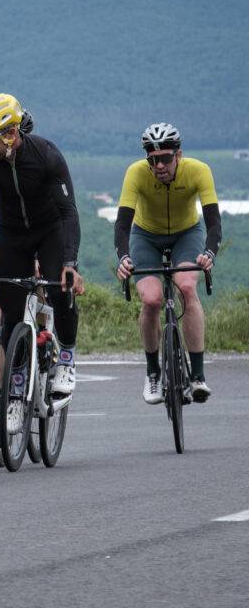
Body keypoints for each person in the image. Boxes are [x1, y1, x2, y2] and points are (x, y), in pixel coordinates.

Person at [0, 94, 82, 413]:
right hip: (12, 236)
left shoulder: (46, 154)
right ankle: (18, 381)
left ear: (10, 134)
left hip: (50, 231)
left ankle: (67, 358)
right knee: (10, 313)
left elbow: (69, 212)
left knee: (61, 291)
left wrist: (70, 263)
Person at [114, 122, 221, 404]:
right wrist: (123, 258)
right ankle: (152, 372)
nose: (159, 165)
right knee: (151, 300)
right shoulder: (136, 173)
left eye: (165, 158)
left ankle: (197, 376)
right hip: (145, 236)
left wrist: (209, 254)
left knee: (186, 286)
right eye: (153, 160)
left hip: (187, 233)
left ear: (179, 155)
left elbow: (213, 222)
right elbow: (122, 226)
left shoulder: (199, 170)